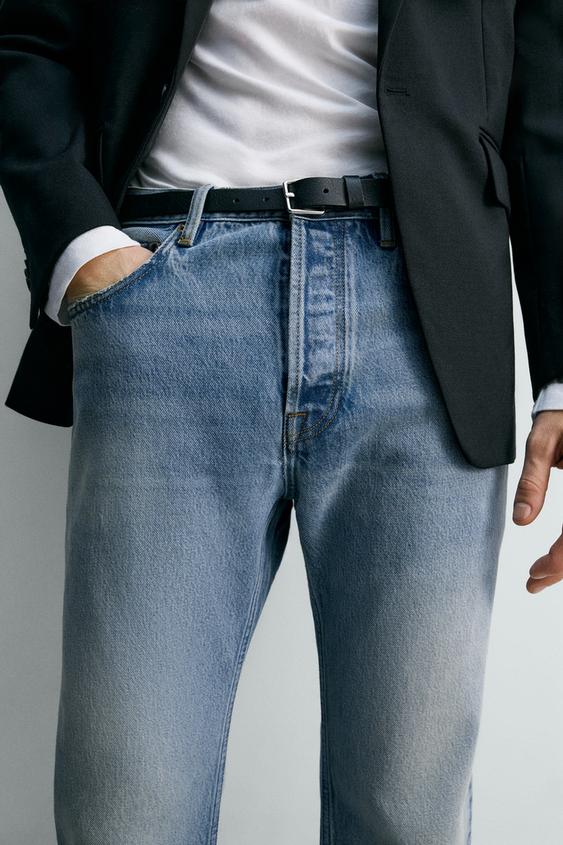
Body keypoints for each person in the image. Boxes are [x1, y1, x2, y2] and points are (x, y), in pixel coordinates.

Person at [1, 1, 562, 843]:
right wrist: (77, 243)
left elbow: (549, 96)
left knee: (407, 812)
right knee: (129, 809)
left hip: (430, 315)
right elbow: (25, 33)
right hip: (169, 287)